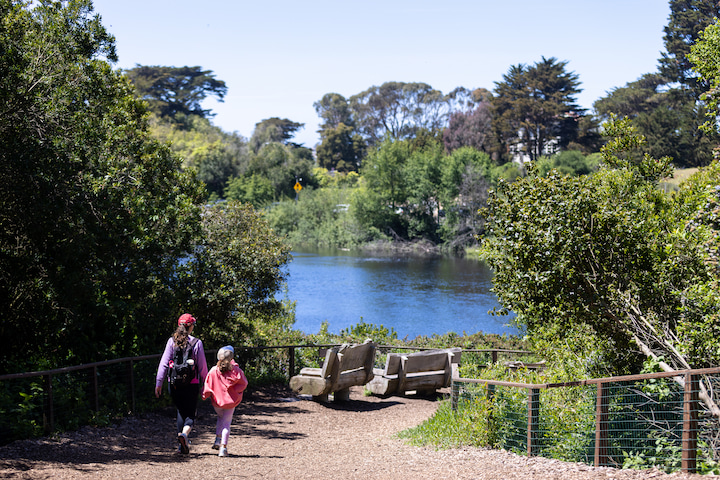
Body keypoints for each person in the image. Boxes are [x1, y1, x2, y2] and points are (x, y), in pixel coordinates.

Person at [155, 313, 208, 455]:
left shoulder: (171, 342)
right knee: (190, 413)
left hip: (173, 384)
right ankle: (184, 434)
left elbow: (164, 364)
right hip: (192, 383)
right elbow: (202, 367)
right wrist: (206, 385)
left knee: (180, 410)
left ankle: (180, 446)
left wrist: (158, 383)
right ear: (190, 326)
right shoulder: (196, 343)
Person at [202, 345, 248, 457]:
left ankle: (217, 440)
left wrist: (205, 395)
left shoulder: (213, 370)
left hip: (217, 402)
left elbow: (208, 385)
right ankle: (223, 447)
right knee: (226, 423)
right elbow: (244, 383)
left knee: (220, 418)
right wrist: (235, 392)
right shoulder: (236, 371)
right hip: (230, 402)